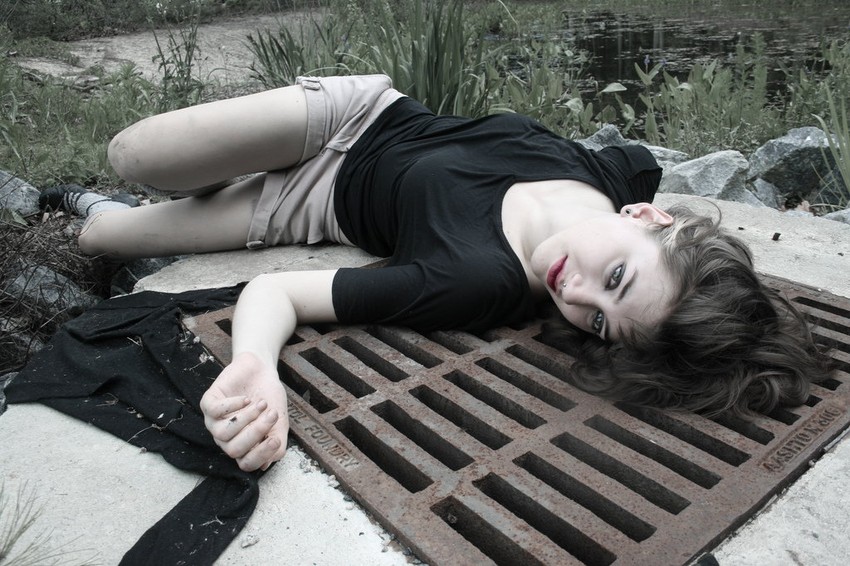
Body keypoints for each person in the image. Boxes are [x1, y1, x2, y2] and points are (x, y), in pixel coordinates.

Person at [41, 74, 833, 472]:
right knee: (134, 154)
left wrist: (255, 363)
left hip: (308, 205)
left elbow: (277, 290)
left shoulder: (477, 282)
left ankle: (84, 201)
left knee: (104, 234)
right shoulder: (620, 172)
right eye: (617, 278)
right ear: (649, 217)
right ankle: (187, 176)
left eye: (597, 320)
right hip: (357, 114)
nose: (576, 293)